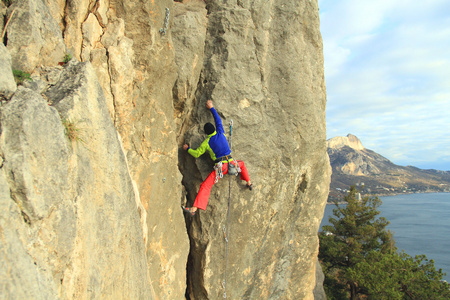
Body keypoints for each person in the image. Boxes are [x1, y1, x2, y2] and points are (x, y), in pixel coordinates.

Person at [182, 100, 252, 216]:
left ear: (205, 133)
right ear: (214, 129)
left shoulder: (207, 142)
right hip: (232, 163)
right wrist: (211, 108)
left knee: (206, 185)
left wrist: (187, 149)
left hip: (222, 168)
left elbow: (197, 154)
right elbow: (218, 120)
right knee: (242, 164)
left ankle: (194, 209)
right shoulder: (220, 131)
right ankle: (249, 183)